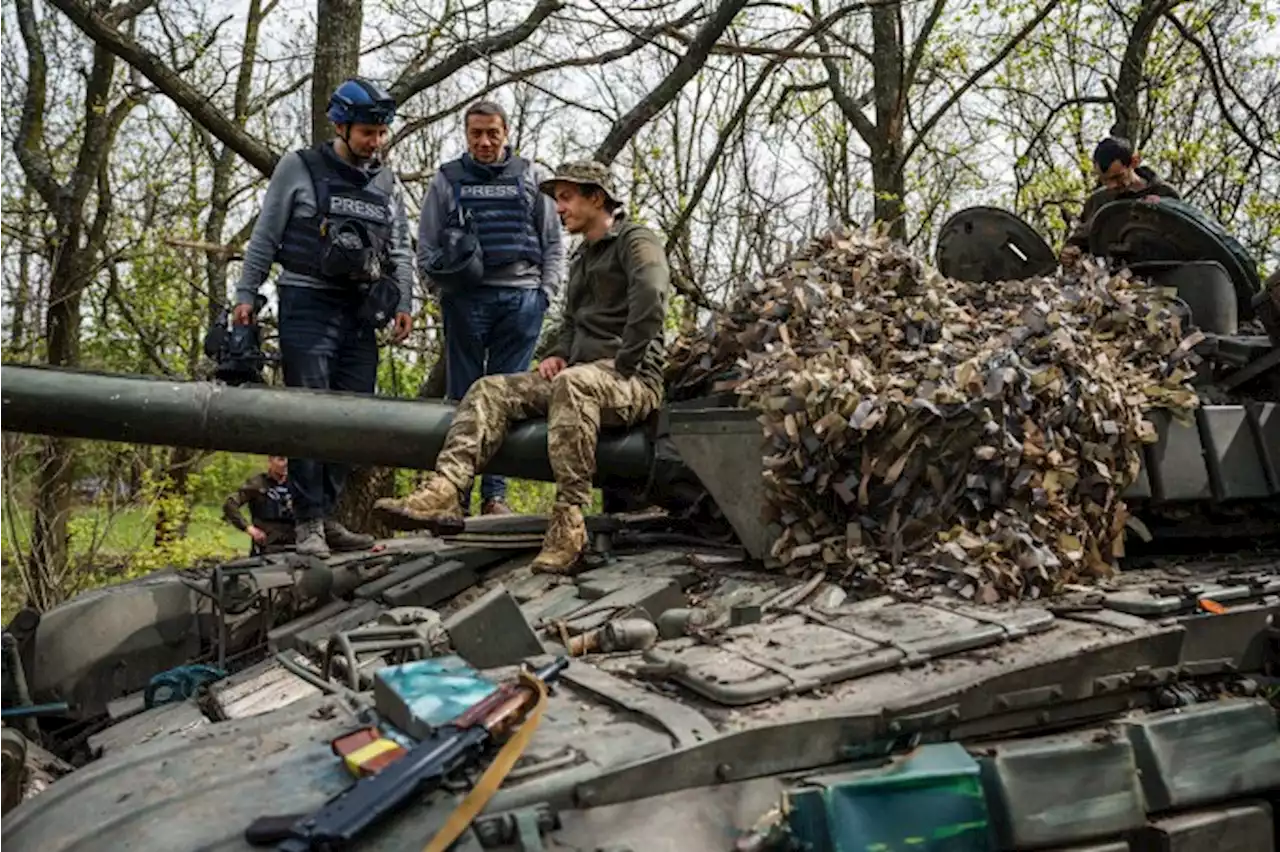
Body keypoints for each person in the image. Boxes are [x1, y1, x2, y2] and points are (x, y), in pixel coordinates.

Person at [378, 161, 668, 574]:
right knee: (490, 388)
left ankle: (569, 524)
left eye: (566, 198)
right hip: (583, 375)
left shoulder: (635, 240)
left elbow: (653, 296)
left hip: (633, 380)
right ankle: (445, 488)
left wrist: (624, 362)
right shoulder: (584, 255)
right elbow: (572, 323)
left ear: (596, 198)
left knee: (575, 385)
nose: (559, 208)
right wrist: (559, 353)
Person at [232, 78, 415, 558]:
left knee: (353, 415)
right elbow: (265, 235)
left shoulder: (386, 181)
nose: (376, 142)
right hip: (306, 302)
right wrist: (246, 293)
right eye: (367, 133)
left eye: (382, 133)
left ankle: (326, 515)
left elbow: (399, 248)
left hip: (361, 309)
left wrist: (404, 302)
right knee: (308, 413)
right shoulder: (300, 167)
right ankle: (308, 519)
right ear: (340, 125)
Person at [417, 101, 565, 516]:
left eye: (492, 133)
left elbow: (554, 242)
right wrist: (438, 291)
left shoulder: (532, 177)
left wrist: (545, 295)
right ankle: (455, 494)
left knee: (506, 399)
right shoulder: (447, 179)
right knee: (462, 397)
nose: (484, 142)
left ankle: (495, 496)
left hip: (521, 300)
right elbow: (426, 244)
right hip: (465, 300)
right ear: (466, 135)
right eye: (476, 133)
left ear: (506, 132)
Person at [1062, 136, 1182, 261]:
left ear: (1134, 162)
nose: (1111, 185)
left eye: (1117, 177)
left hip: (1163, 270)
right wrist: (1071, 251)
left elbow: (1185, 239)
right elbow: (1080, 240)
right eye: (1105, 180)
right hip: (1111, 274)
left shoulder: (1165, 193)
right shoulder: (1098, 201)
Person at [223, 455, 295, 555]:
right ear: (270, 461)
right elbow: (230, 504)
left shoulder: (298, 484)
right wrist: (248, 528)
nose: (286, 464)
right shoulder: (258, 483)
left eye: (289, 460)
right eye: (281, 460)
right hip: (266, 546)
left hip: (296, 544)